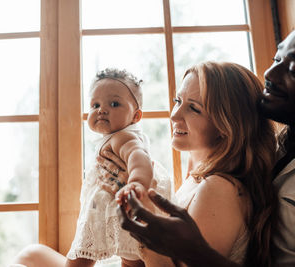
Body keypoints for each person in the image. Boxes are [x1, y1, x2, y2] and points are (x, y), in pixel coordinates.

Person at [116, 30, 295, 267]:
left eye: (195, 108)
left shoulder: (219, 188)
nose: (174, 115)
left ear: (226, 126)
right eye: (177, 101)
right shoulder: (203, 175)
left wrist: (137, 226)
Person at [10, 68, 170, 267]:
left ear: (136, 116)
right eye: (95, 105)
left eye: (114, 104)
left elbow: (139, 158)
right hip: (113, 212)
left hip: (120, 207)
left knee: (81, 258)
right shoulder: (115, 138)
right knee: (130, 258)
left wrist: (136, 184)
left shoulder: (125, 137)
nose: (102, 110)